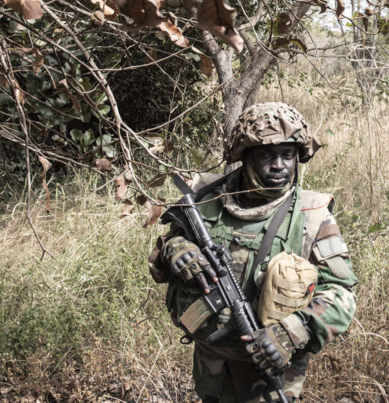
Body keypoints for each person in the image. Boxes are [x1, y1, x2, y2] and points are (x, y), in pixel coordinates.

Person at [148, 102, 358, 403]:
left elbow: (341, 294)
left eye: (287, 155)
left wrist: (290, 333)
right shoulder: (205, 203)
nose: (279, 165)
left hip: (271, 370)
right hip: (212, 364)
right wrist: (178, 249)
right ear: (246, 157)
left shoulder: (312, 216)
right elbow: (160, 265)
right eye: (267, 155)